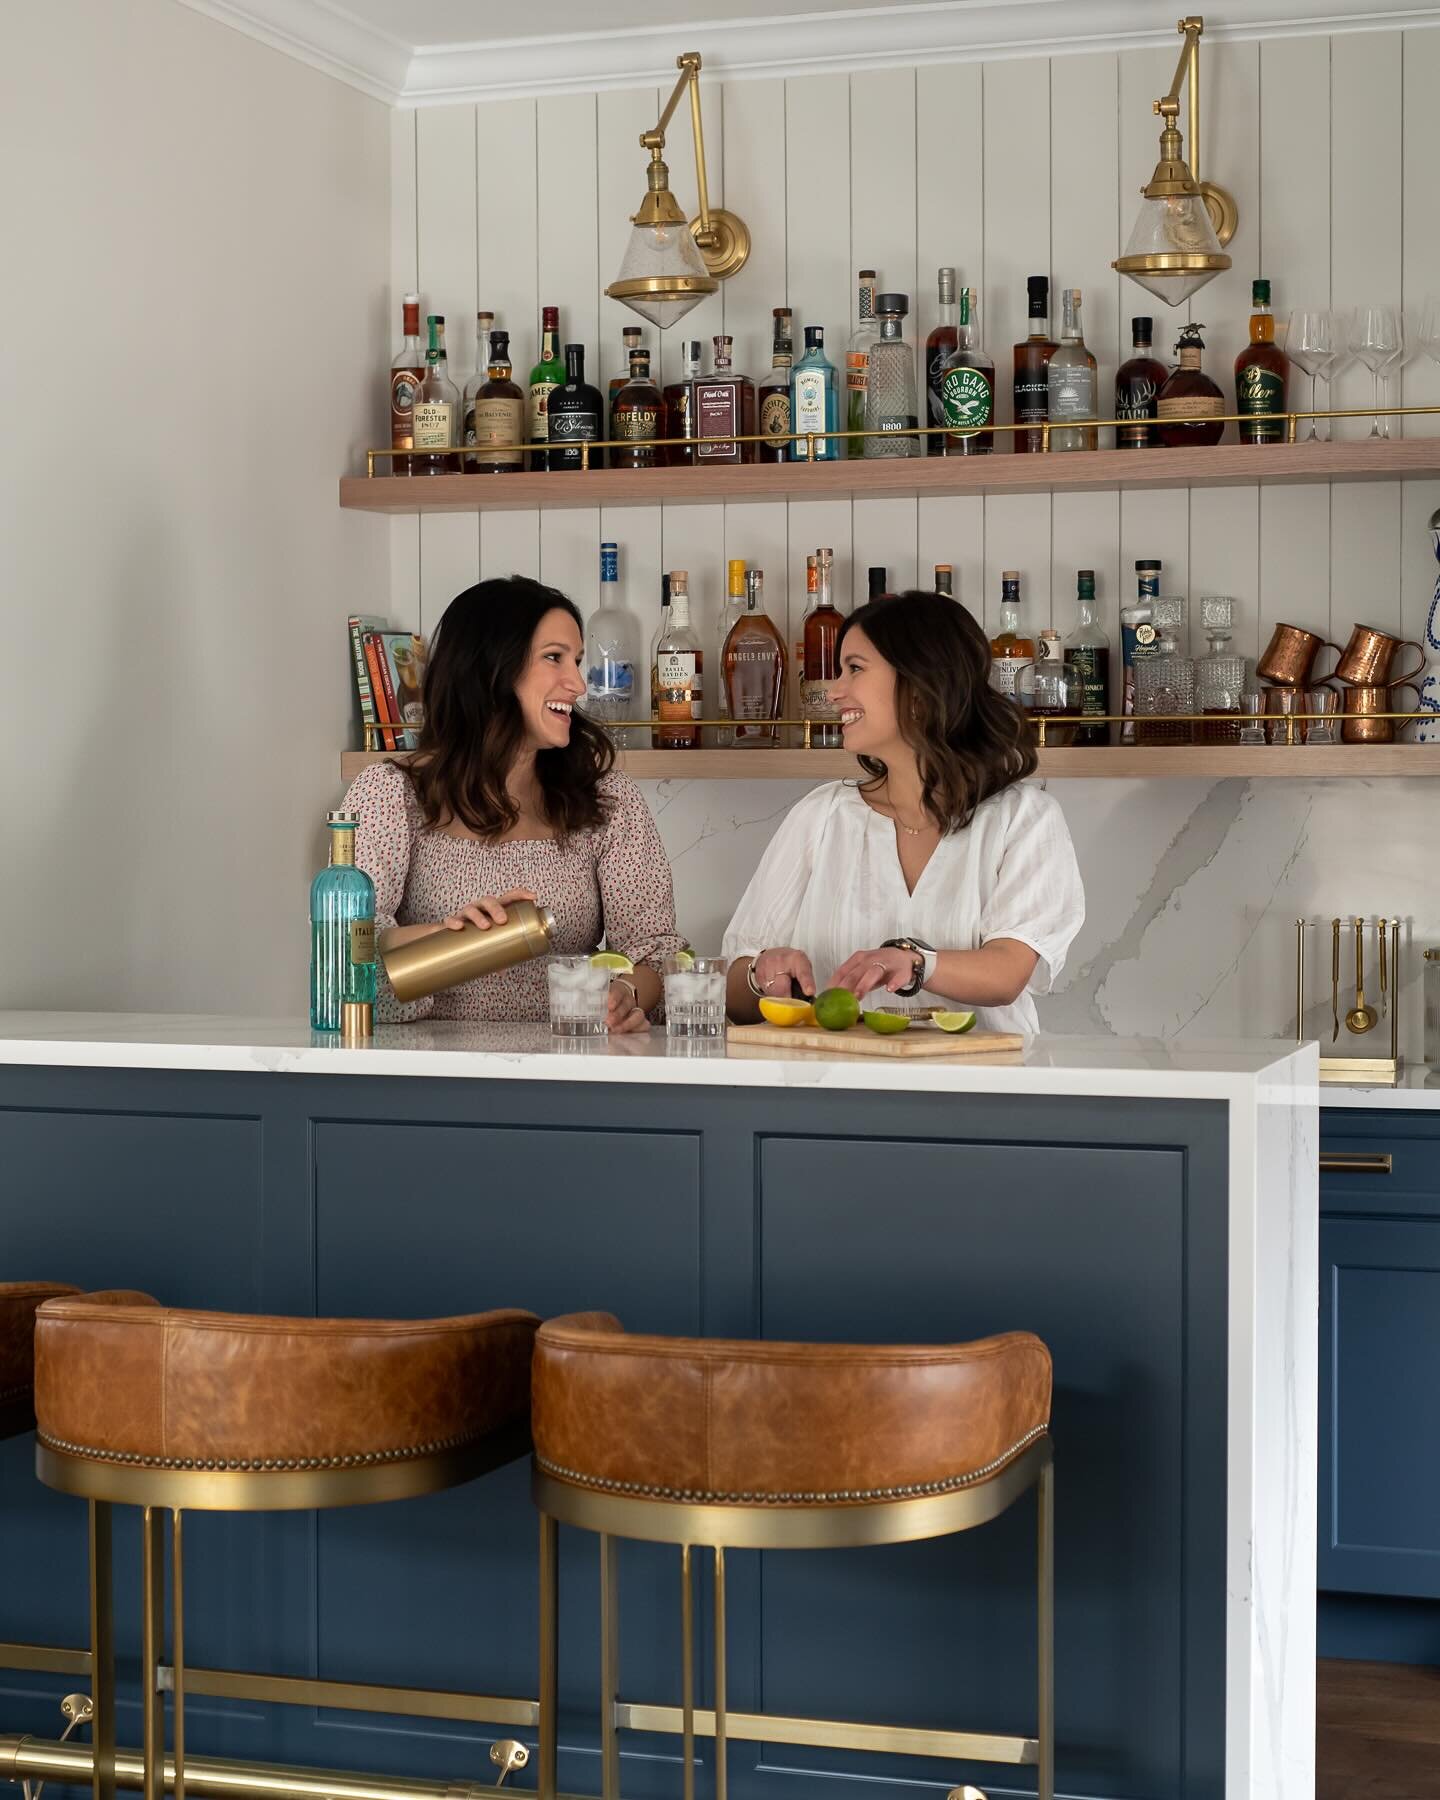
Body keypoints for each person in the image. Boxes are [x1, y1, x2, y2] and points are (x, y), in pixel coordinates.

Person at [723, 589, 1084, 1035]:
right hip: (833, 1087)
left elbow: (1006, 973)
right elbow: (734, 995)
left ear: (920, 686)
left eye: (854, 669)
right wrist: (760, 976)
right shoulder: (821, 817)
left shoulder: (1024, 820)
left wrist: (915, 964)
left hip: (989, 1092)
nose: (835, 692)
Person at [344, 576, 684, 1028]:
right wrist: (443, 937)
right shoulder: (390, 796)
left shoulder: (608, 801)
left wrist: (626, 993)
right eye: (554, 658)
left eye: (577, 661)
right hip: (428, 1076)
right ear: (492, 670)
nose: (579, 684)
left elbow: (654, 951)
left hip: (571, 1067)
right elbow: (348, 954)